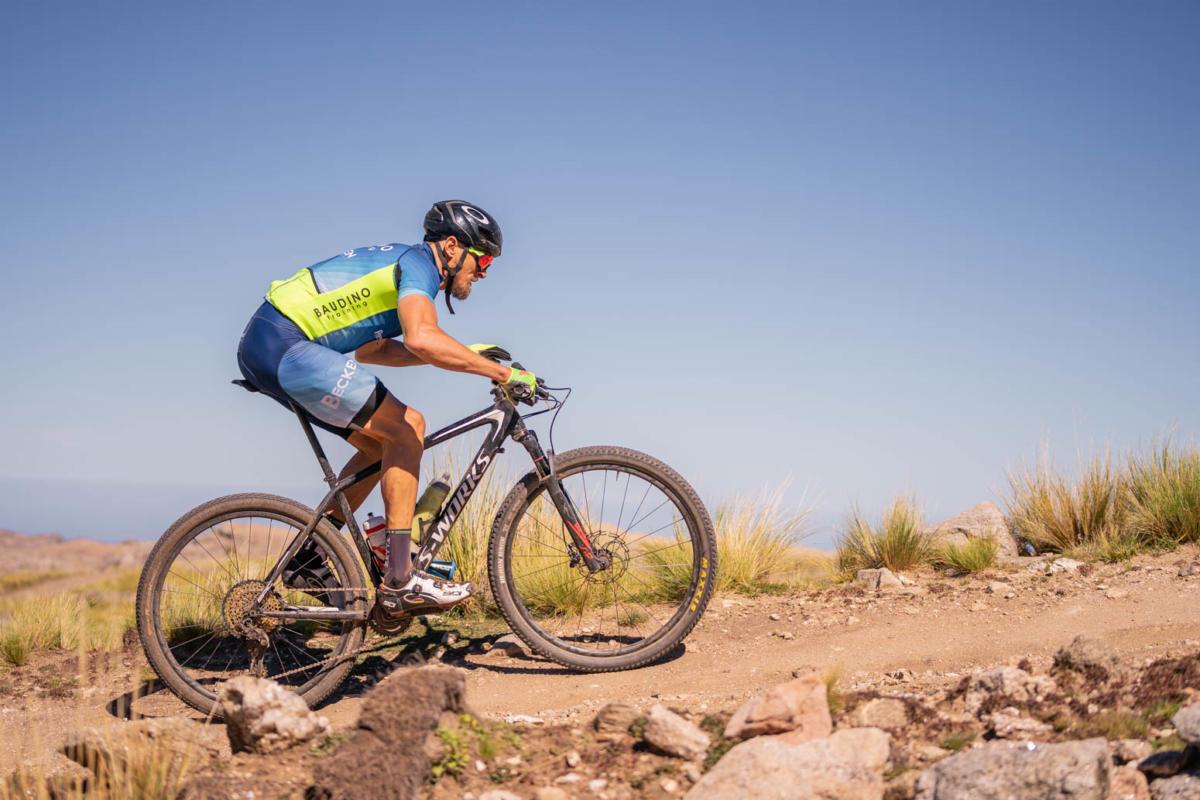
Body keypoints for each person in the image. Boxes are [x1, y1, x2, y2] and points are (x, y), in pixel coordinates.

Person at [235, 200, 538, 614]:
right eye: (482, 258)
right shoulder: (419, 265)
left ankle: (309, 556)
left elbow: (374, 351)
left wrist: (467, 354)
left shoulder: (408, 267)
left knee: (380, 448)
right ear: (452, 246)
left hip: (271, 345)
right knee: (408, 428)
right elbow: (422, 338)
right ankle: (400, 579)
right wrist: (501, 373)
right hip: (285, 345)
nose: (484, 271)